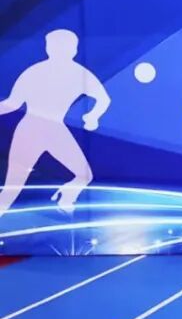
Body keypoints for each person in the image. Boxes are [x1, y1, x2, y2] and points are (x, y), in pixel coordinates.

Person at [0, 29, 110, 217]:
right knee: (12, 187)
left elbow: (103, 99)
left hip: (54, 130)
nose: (60, 51)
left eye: (63, 47)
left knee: (83, 174)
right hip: (31, 129)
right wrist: (92, 116)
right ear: (48, 49)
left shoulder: (78, 73)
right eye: (56, 46)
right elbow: (13, 103)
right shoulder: (35, 72)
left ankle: (66, 197)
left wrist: (92, 116)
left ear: (73, 50)